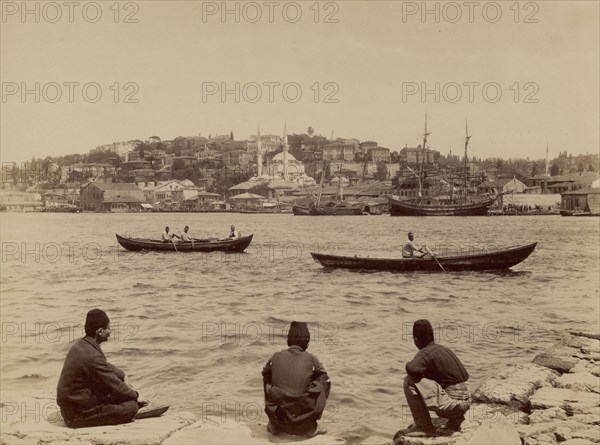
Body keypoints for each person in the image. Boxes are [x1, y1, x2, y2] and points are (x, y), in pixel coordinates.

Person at [57, 309, 146, 428]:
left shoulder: (82, 344)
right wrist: (136, 395)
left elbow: (105, 366)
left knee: (119, 395)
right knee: (132, 406)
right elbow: (114, 382)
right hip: (76, 416)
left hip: (71, 407)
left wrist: (123, 375)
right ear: (99, 331)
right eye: (108, 328)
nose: (110, 332)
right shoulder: (93, 355)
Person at [401, 319, 471, 438]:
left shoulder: (425, 353)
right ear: (432, 336)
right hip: (466, 403)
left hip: (452, 407)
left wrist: (410, 364)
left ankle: (424, 427)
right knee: (440, 379)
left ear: (416, 340)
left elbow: (411, 369)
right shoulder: (445, 349)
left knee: (409, 380)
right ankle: (455, 420)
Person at [262, 321, 331, 437]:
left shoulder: (275, 356)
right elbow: (324, 377)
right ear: (307, 342)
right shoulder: (311, 359)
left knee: (267, 377)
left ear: (288, 341)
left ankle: (273, 423)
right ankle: (311, 426)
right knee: (325, 380)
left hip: (279, 417)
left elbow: (265, 374)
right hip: (302, 422)